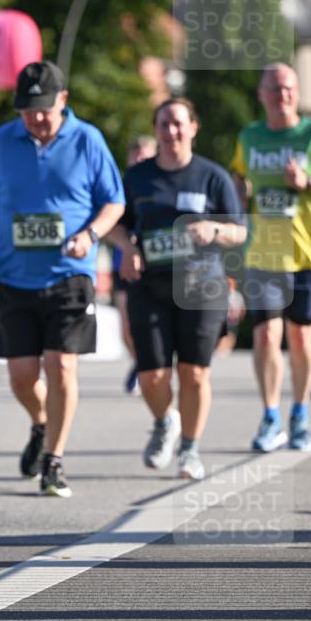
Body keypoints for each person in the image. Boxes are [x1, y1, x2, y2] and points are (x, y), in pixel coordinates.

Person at [0, 60, 124, 497]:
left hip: (71, 273)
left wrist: (90, 234)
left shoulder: (88, 140)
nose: (36, 118)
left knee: (60, 364)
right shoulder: (2, 141)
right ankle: (41, 423)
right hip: (16, 274)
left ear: (63, 101)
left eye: (44, 109)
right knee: (21, 375)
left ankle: (54, 460)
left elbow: (114, 202)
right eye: (27, 109)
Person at [110, 98, 246, 480]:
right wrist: (127, 246)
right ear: (155, 129)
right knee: (151, 376)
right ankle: (165, 421)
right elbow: (113, 222)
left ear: (193, 127)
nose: (172, 131)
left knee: (194, 373)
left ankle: (189, 448)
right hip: (149, 287)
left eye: (178, 124)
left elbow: (240, 232)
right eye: (164, 124)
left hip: (202, 287)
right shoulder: (137, 177)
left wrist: (214, 230)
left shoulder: (212, 177)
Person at [230, 63, 311, 453]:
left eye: (289, 88)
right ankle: (270, 416)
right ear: (261, 94)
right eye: (275, 88)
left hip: (307, 252)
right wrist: (237, 193)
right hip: (264, 251)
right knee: (266, 334)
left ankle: (299, 412)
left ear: (297, 93)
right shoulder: (249, 137)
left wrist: (309, 182)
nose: (282, 95)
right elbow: (238, 176)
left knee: (300, 335)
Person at [114, 135, 157, 394]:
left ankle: (151, 364)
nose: (141, 158)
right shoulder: (122, 184)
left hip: (154, 265)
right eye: (137, 154)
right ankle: (139, 361)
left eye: (146, 154)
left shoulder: (159, 183)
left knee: (150, 322)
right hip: (123, 263)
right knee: (126, 325)